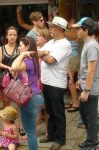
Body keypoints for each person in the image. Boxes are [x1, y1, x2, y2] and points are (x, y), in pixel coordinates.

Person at [38, 16, 72, 150]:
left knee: (58, 112)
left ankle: (60, 139)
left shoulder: (65, 44)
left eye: (52, 26)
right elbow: (38, 51)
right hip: (47, 82)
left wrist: (44, 54)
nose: (50, 28)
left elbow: (51, 60)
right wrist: (44, 52)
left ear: (59, 28)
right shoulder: (51, 43)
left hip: (56, 84)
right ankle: (51, 135)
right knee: (50, 110)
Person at [11, 36, 44, 150]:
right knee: (31, 131)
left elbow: (13, 67)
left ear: (27, 47)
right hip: (36, 96)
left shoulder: (28, 61)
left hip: (29, 97)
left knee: (30, 133)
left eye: (20, 45)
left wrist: (21, 55)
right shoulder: (34, 61)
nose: (19, 48)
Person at [72, 17, 99, 149]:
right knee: (84, 115)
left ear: (86, 30)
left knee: (91, 118)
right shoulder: (87, 44)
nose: (76, 31)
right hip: (86, 87)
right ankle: (91, 139)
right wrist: (80, 80)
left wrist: (86, 90)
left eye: (78, 28)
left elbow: (92, 70)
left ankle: (92, 143)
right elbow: (86, 69)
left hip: (91, 90)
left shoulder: (92, 46)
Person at [0, 26, 19, 107]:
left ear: (17, 36)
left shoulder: (20, 48)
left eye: (14, 35)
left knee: (19, 101)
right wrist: (8, 67)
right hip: (6, 78)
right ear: (6, 36)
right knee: (6, 102)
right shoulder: (1, 49)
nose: (12, 37)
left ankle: (17, 119)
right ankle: (6, 119)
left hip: (18, 78)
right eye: (10, 35)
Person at [64, 18, 80, 112]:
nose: (68, 23)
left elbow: (63, 33)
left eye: (70, 22)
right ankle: (72, 101)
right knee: (70, 81)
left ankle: (75, 103)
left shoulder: (74, 33)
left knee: (70, 81)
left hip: (72, 58)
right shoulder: (71, 32)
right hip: (71, 58)